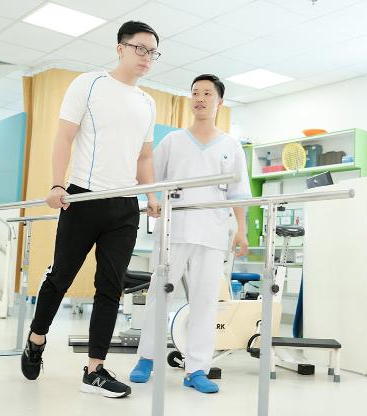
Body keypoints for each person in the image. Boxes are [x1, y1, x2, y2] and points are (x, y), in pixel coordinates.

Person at [20, 21, 162, 399]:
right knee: (61, 277)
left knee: (110, 286)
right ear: (120, 48)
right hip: (83, 198)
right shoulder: (89, 84)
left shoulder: (148, 103)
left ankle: (95, 369)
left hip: (125, 205)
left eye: (153, 52)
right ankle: (36, 338)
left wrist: (150, 195)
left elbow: (144, 157)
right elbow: (64, 136)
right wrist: (57, 184)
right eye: (140, 48)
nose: (146, 57)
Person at [129, 74, 252, 394]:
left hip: (212, 233)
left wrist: (241, 230)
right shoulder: (173, 141)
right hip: (174, 230)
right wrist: (152, 198)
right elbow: (150, 174)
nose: (200, 98)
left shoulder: (231, 146)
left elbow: (239, 192)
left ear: (219, 102)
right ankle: (146, 358)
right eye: (195, 92)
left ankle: (197, 369)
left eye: (207, 93)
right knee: (159, 295)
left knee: (205, 302)